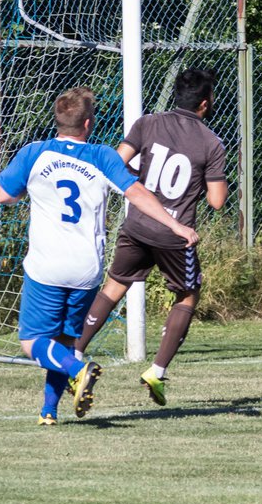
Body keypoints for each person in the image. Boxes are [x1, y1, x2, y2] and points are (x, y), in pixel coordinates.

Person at [0, 86, 198, 425]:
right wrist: (175, 227)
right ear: (88, 123)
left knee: (33, 342)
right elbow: (138, 194)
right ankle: (49, 411)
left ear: (58, 119)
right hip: (87, 269)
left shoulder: (35, 153)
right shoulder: (103, 157)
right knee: (65, 341)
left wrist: (23, 188)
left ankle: (79, 369)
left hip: (47, 265)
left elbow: (3, 196)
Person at [74, 68, 227, 407]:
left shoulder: (147, 123)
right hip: (175, 233)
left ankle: (74, 353)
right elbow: (217, 202)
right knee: (188, 296)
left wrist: (139, 183)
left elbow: (115, 161)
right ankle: (156, 371)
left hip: (138, 224)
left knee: (114, 286)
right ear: (205, 103)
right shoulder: (211, 142)